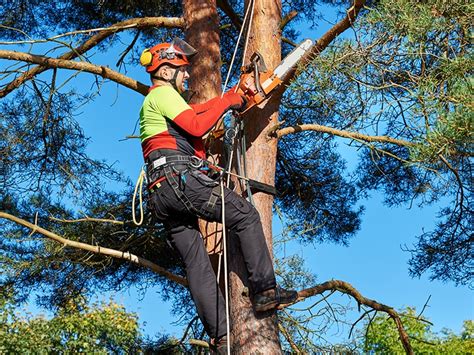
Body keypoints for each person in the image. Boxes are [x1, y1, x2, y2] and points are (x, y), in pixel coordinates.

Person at [138, 38, 297, 352]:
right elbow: (197, 125)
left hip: (161, 193)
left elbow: (193, 119)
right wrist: (228, 99)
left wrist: (233, 99)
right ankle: (264, 292)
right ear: (166, 70)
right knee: (246, 215)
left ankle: (222, 337)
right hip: (177, 181)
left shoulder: (160, 105)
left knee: (196, 262)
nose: (186, 76)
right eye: (182, 70)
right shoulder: (163, 94)